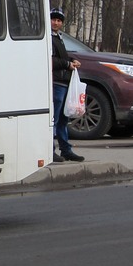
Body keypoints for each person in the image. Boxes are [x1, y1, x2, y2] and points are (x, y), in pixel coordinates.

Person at [50, 8, 84, 163]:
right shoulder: (48, 38)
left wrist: (72, 60)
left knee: (64, 119)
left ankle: (66, 150)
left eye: (59, 20)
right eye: (53, 19)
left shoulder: (59, 37)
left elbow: (61, 57)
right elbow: (50, 60)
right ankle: (50, 151)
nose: (56, 23)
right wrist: (67, 64)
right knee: (54, 120)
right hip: (56, 82)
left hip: (64, 83)